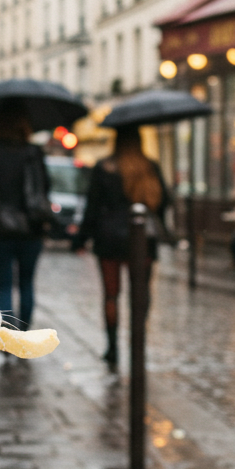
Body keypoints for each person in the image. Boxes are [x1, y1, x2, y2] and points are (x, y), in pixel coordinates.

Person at [74, 124, 170, 369]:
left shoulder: (104, 167)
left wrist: (81, 238)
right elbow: (164, 201)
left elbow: (92, 207)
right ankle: (137, 341)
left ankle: (113, 347)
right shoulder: (149, 167)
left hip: (109, 239)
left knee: (111, 294)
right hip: (142, 240)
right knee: (141, 293)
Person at [0, 104, 51, 330]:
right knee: (27, 282)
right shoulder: (34, 152)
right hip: (31, 226)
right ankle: (24, 330)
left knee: (5, 284)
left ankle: (9, 331)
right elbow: (45, 187)